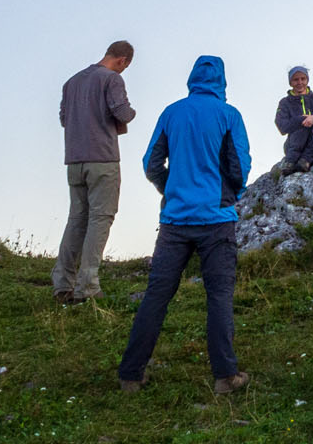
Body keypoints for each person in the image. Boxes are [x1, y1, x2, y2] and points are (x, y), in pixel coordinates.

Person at [118, 55, 252, 395]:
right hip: (216, 221)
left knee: (156, 297)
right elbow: (239, 166)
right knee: (219, 297)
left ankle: (131, 375)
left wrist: (171, 188)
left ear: (192, 78)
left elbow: (151, 163)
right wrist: (229, 195)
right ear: (221, 80)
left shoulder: (171, 112)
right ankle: (225, 376)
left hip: (174, 222)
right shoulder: (228, 115)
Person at [52, 40, 136, 303]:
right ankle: (87, 286)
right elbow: (121, 111)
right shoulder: (111, 79)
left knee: (77, 219)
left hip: (74, 160)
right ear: (123, 61)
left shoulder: (72, 82)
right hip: (102, 158)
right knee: (101, 218)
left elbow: (64, 119)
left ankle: (62, 283)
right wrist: (131, 113)